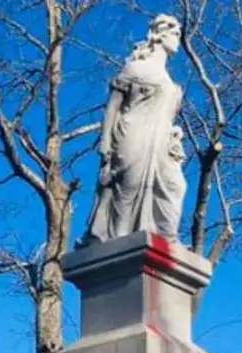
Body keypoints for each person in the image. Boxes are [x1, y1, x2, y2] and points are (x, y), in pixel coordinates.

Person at [80, 14, 187, 246]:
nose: (179, 39)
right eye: (175, 34)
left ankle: (167, 237)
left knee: (175, 185)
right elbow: (112, 108)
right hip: (133, 134)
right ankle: (119, 240)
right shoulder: (135, 68)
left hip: (162, 143)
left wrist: (174, 131)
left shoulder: (169, 81)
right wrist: (105, 142)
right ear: (159, 35)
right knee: (128, 187)